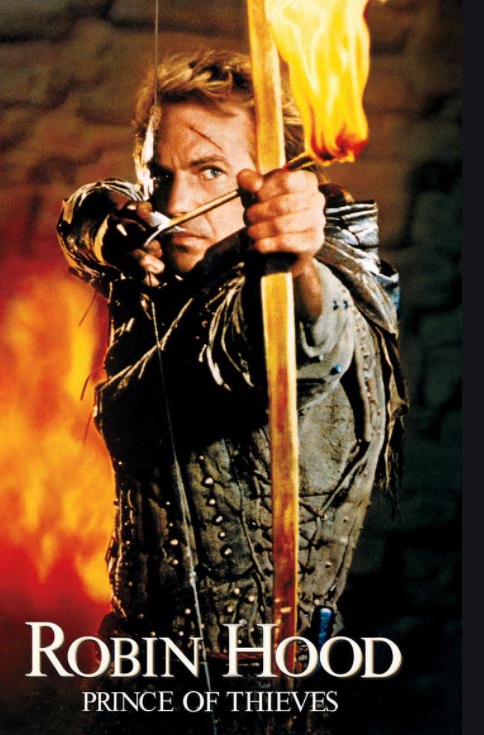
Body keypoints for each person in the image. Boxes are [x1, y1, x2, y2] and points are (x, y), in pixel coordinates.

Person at [57, 49, 406, 735]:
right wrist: (108, 225)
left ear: (272, 186)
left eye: (211, 171)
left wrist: (291, 263)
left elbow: (300, 341)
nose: (175, 204)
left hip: (252, 700)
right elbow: (93, 210)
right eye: (160, 175)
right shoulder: (164, 259)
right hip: (146, 680)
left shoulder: (294, 290)